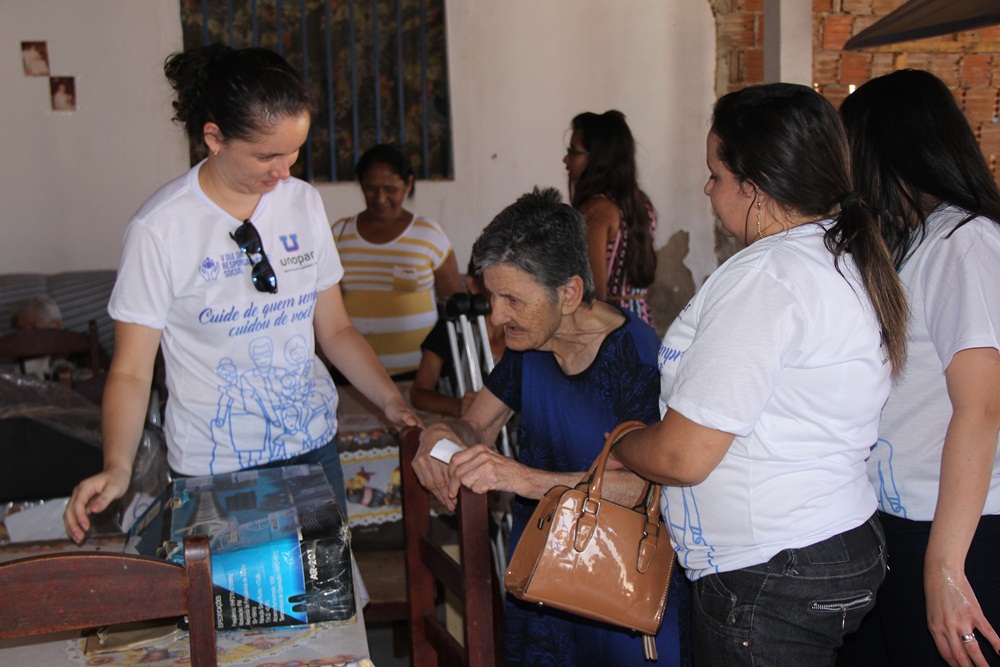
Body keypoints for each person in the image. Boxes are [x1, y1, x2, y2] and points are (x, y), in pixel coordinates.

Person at [63, 44, 419, 543]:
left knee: (320, 588)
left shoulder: (303, 204)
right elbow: (131, 370)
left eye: (294, 152)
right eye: (266, 155)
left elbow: (336, 330)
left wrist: (390, 400)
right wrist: (118, 466)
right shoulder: (160, 228)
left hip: (312, 450)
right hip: (216, 467)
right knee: (231, 594)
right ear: (214, 138)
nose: (284, 171)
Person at [610, 83, 909, 666]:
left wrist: (625, 443)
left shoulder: (768, 277)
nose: (708, 189)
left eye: (715, 174)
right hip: (830, 541)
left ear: (757, 186)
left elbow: (683, 456)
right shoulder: (836, 255)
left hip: (772, 566)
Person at [412, 187, 691, 666]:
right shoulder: (530, 345)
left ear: (569, 293)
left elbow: (648, 487)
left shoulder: (634, 355)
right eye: (492, 297)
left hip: (620, 586)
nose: (497, 317)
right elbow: (476, 425)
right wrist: (438, 435)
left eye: (512, 299)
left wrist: (523, 479)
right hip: (541, 577)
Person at [837, 69, 1000, 667]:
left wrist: (945, 565)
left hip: (956, 528)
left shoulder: (965, 242)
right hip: (902, 520)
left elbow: (981, 407)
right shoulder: (918, 240)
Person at [332, 144, 463, 378]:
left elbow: (454, 303)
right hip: (354, 374)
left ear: (408, 184)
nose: (380, 198)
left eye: (390, 189)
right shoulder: (340, 234)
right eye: (370, 188)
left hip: (419, 376)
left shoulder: (428, 235)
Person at [565, 110, 657, 325]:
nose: (566, 159)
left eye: (573, 151)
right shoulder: (641, 204)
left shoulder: (596, 211)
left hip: (610, 326)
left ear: (599, 158)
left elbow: (593, 294)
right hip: (641, 322)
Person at [409, 260, 505, 417]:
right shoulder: (451, 330)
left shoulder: (526, 333)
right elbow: (419, 393)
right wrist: (458, 406)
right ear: (473, 285)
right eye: (496, 279)